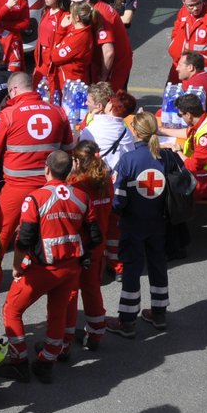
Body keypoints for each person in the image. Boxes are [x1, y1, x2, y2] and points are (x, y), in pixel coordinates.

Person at [3, 150, 98, 383]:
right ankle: (47, 362)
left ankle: (19, 361)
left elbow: (24, 240)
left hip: (41, 270)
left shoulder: (35, 199)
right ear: (70, 171)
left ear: (46, 169)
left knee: (11, 311)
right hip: (70, 269)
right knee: (57, 314)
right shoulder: (82, 197)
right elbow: (95, 236)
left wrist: (17, 267)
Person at [0, 72, 73, 258]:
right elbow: (68, 150)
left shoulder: (8, 114)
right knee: (45, 237)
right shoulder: (58, 112)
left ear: (13, 90)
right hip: (49, 188)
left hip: (16, 188)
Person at [114, 110, 171, 340]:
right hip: (158, 222)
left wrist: (117, 212)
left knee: (132, 269)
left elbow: (118, 198)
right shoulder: (165, 157)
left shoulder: (128, 160)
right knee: (158, 265)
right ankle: (159, 314)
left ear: (135, 132)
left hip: (133, 223)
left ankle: (127, 321)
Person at [64, 141, 117, 353]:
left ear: (77, 161)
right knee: (92, 289)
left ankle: (64, 338)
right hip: (97, 245)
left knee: (69, 293)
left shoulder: (77, 184)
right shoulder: (105, 180)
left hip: (78, 247)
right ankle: (96, 333)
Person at [75, 0, 131, 92]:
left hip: (114, 66)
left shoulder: (102, 16)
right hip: (103, 62)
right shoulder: (96, 7)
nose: (72, 5)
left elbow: (108, 52)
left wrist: (103, 78)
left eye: (75, 2)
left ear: (86, 1)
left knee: (108, 99)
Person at [79, 83, 135, 190]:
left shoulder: (92, 128)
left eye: (110, 102)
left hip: (94, 179)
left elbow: (80, 150)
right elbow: (130, 154)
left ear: (111, 107)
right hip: (116, 181)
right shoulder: (126, 131)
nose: (86, 103)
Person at [46, 0, 96, 96]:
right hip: (76, 80)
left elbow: (55, 57)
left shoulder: (78, 38)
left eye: (71, 13)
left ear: (77, 18)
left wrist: (61, 29)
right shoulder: (82, 31)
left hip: (70, 84)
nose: (69, 15)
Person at [173, 51, 207, 122]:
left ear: (190, 67)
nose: (177, 68)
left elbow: (187, 114)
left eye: (180, 65)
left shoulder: (195, 85)